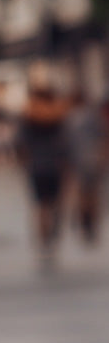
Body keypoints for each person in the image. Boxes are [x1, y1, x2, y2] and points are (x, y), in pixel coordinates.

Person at [16, 81, 70, 266]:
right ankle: (53, 237)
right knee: (55, 203)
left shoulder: (28, 116)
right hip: (56, 165)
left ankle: (43, 240)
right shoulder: (59, 115)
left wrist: (24, 161)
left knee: (41, 206)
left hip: (36, 165)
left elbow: (20, 143)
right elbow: (66, 141)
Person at [64, 90, 107, 245]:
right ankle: (92, 225)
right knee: (94, 194)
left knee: (81, 193)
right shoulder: (94, 117)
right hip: (94, 159)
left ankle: (84, 222)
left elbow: (65, 144)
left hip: (77, 161)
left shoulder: (68, 118)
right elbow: (103, 137)